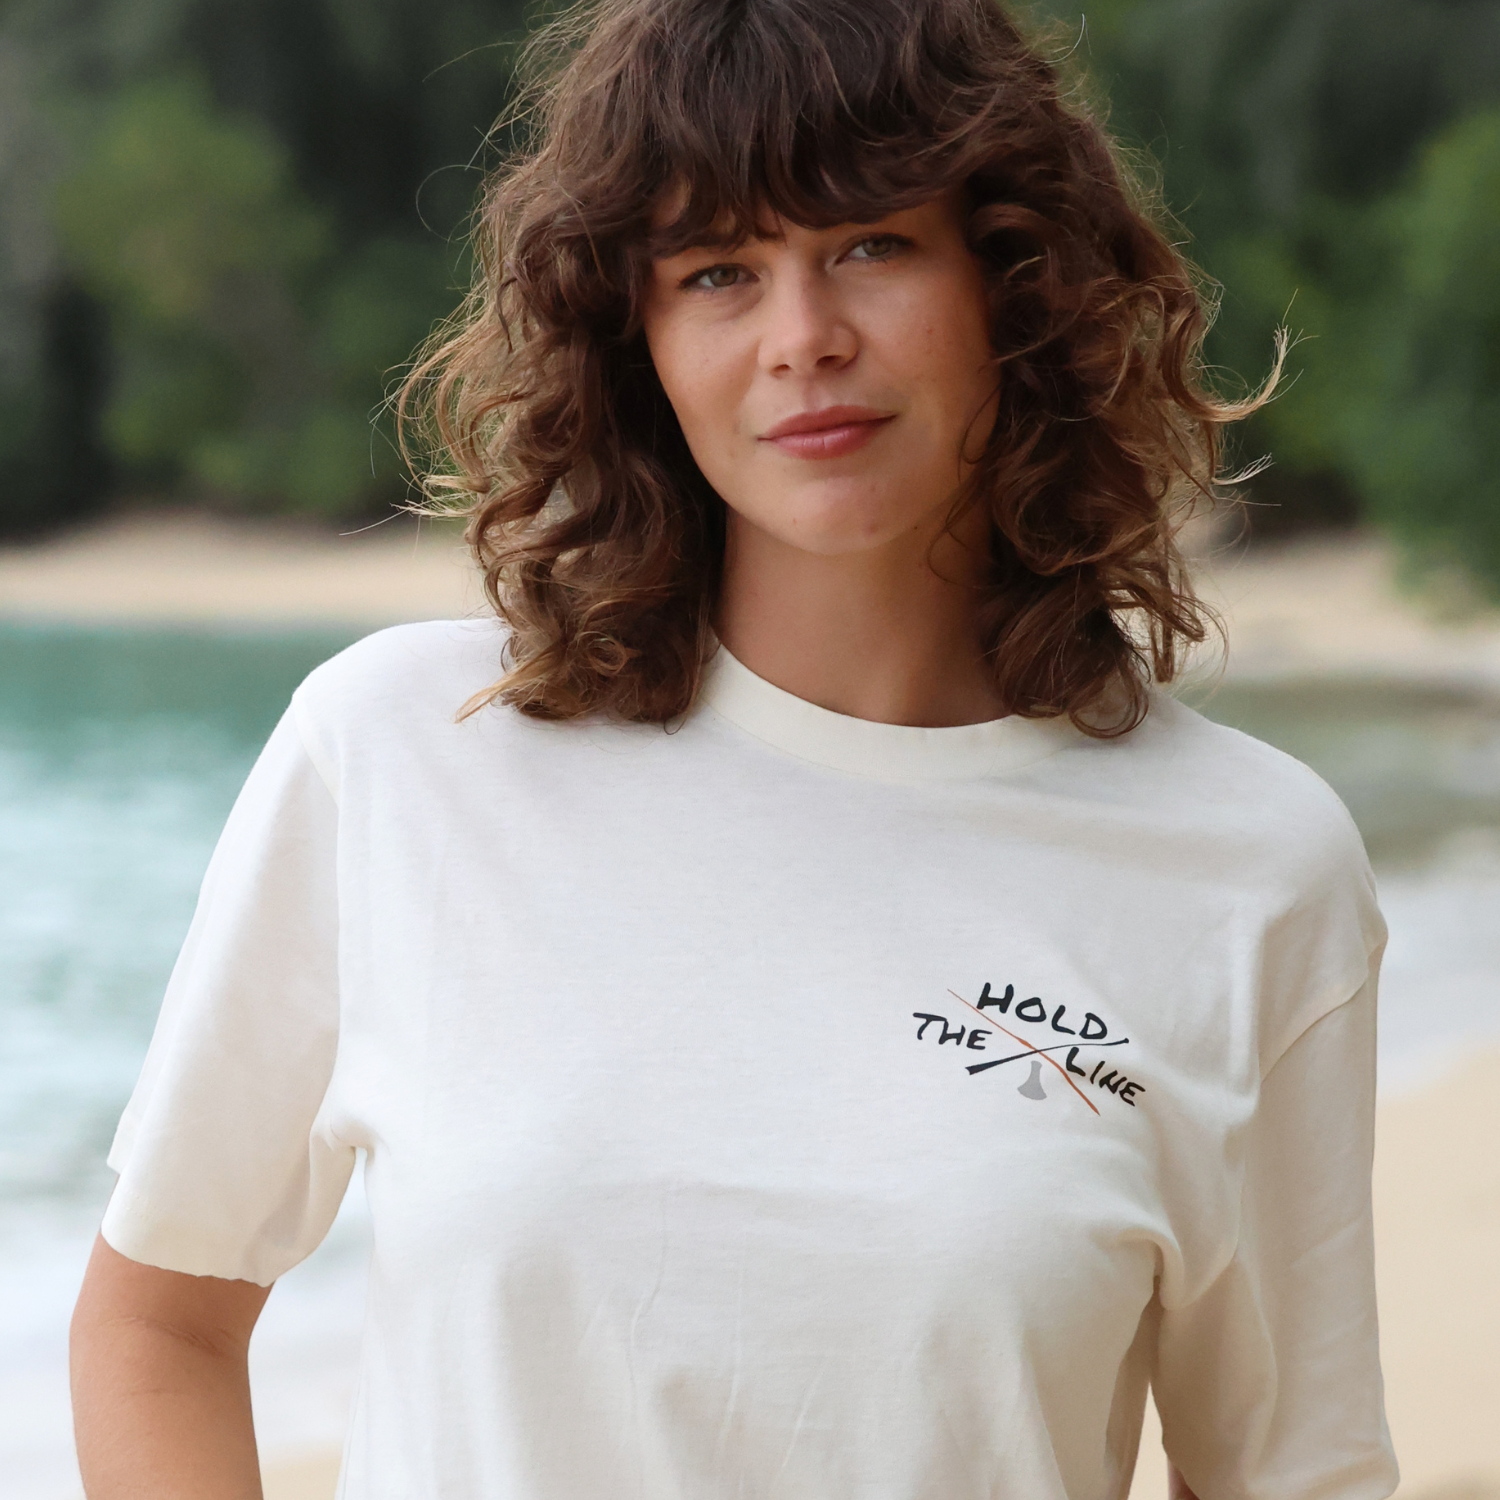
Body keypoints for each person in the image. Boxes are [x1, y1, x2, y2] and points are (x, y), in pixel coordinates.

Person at [70, 0, 1398, 1496]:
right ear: (635, 340)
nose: (802, 338)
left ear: (1012, 283)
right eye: (718, 271)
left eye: (873, 244)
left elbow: (1291, 1475)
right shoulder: (403, 754)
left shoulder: (1249, 868)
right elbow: (158, 1324)